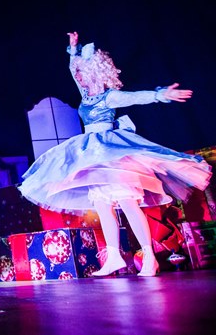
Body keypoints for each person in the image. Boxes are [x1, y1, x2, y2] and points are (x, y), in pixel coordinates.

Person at [18, 32, 212, 277]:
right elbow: (72, 69)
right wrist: (73, 49)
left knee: (128, 203)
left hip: (111, 153)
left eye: (83, 72)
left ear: (94, 73)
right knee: (102, 205)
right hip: (93, 153)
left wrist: (161, 95)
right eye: (79, 73)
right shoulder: (85, 95)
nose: (79, 76)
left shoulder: (109, 96)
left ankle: (149, 257)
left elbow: (137, 98)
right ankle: (114, 257)